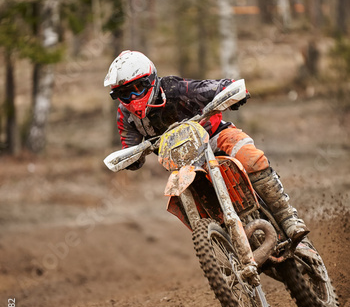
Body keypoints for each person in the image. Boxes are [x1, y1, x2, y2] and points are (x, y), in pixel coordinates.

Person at [104, 50, 309, 244]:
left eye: (137, 89)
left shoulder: (173, 89)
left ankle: (289, 219)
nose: (132, 97)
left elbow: (210, 87)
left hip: (214, 136)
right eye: (124, 94)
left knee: (249, 156)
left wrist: (230, 90)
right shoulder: (126, 116)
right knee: (177, 197)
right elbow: (130, 146)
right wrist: (131, 159)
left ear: (151, 80)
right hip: (181, 161)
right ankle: (218, 242)